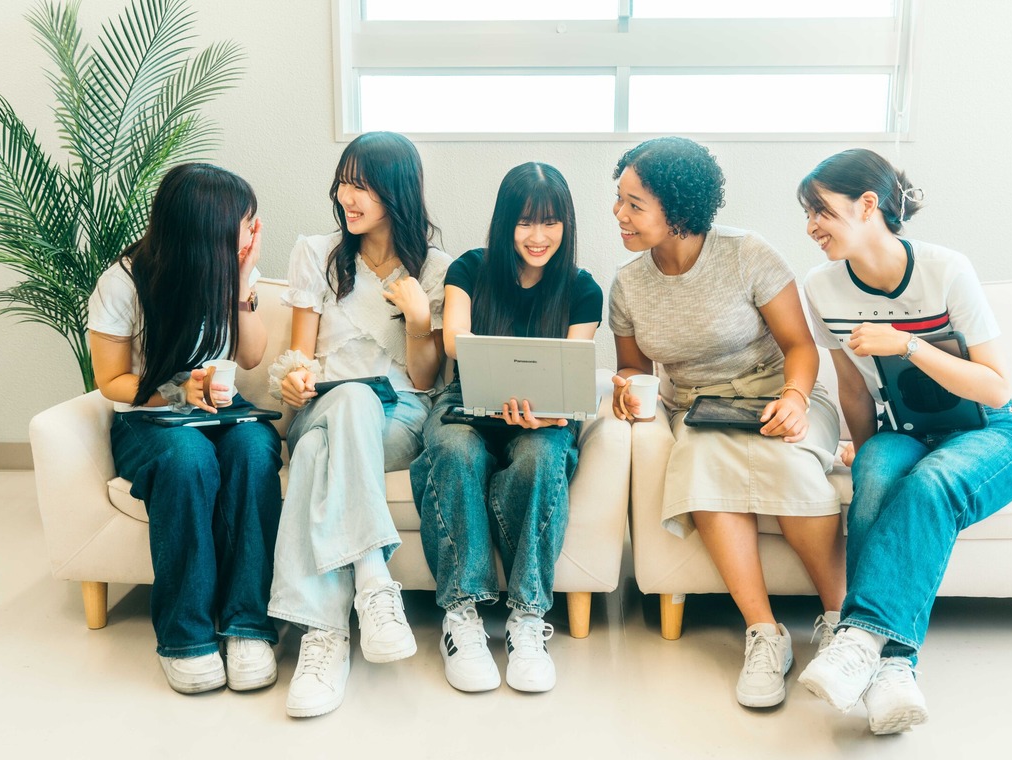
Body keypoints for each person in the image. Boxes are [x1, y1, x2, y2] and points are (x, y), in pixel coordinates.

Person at [796, 149, 1012, 734]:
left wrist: (908, 344)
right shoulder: (822, 287)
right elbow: (853, 387)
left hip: (989, 431)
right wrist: (864, 448)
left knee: (931, 483)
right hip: (904, 431)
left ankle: (867, 646)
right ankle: (889, 671)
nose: (811, 227)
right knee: (876, 474)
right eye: (806, 214)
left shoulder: (946, 269)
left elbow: (997, 387)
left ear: (867, 205)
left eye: (821, 210)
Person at [609, 136, 844, 709]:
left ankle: (844, 623)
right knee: (701, 468)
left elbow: (800, 346)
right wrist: (625, 388)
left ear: (678, 210)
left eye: (634, 204)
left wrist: (794, 399)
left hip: (779, 394)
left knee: (791, 464)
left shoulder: (747, 253)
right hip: (700, 409)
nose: (619, 214)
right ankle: (764, 633)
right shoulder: (628, 284)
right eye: (619, 199)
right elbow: (632, 367)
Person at [265, 131, 451, 718]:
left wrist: (418, 319)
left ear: (397, 192)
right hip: (322, 405)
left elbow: (424, 380)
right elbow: (301, 355)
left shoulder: (436, 270)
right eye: (344, 183)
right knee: (348, 399)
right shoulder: (317, 254)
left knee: (317, 453)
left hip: (399, 417)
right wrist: (294, 379)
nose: (347, 197)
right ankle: (373, 579)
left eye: (362, 186)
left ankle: (323, 636)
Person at [88, 163, 282, 695]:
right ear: (206, 227)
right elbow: (110, 380)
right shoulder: (122, 282)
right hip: (149, 418)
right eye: (246, 220)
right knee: (188, 458)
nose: (254, 230)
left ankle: (247, 625)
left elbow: (251, 354)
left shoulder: (230, 269)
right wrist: (177, 392)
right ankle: (186, 638)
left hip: (219, 407)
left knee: (254, 449)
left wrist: (241, 285)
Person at [410, 162, 603, 694]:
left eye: (550, 222)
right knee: (455, 449)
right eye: (524, 222)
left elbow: (574, 362)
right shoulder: (469, 268)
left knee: (542, 456)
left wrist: (550, 407)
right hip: (467, 403)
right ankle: (461, 616)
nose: (538, 236)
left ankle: (527, 618)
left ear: (566, 225)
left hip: (543, 412)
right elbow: (455, 342)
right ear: (504, 223)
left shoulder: (583, 288)